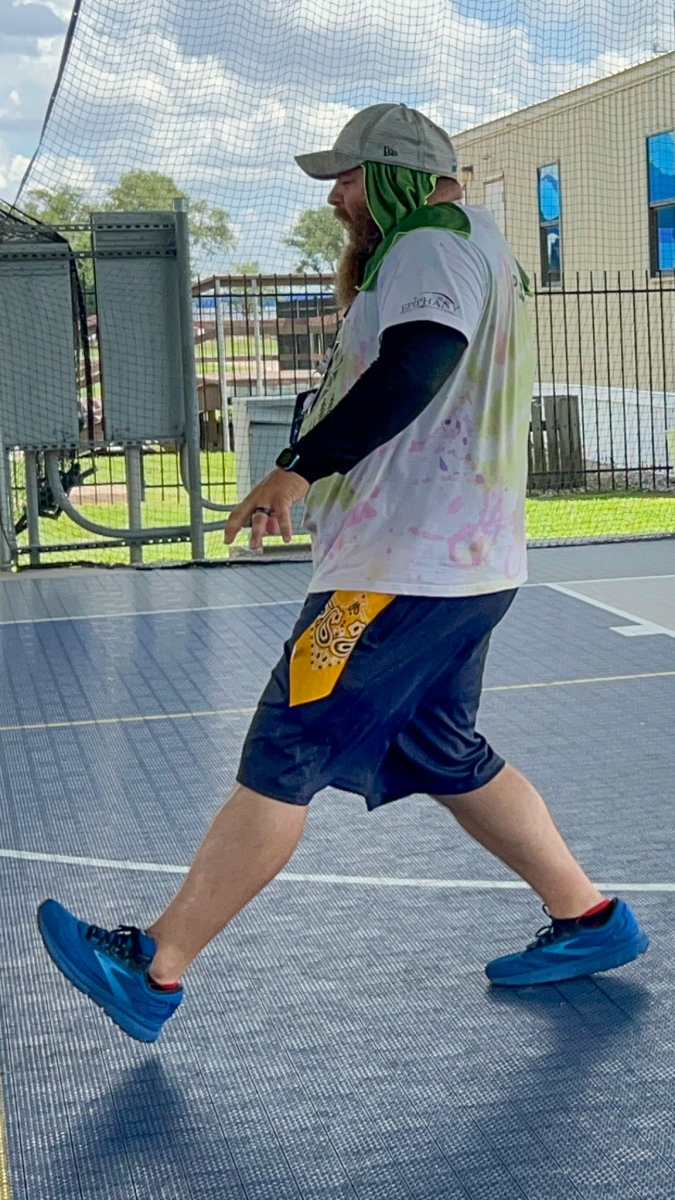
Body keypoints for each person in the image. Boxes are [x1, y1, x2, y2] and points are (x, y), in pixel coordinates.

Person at [37, 104, 648, 1043]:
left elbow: (416, 366)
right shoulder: (473, 245)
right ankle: (590, 919)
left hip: (397, 572)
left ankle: (154, 968)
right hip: (460, 564)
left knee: (283, 752)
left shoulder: (430, 245)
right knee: (446, 752)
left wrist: (299, 466)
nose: (335, 198)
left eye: (348, 178)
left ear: (396, 173)